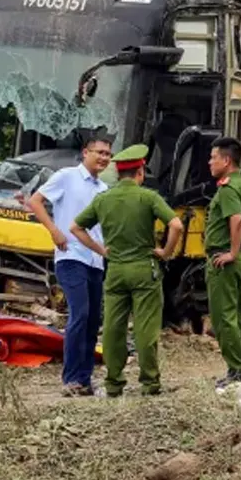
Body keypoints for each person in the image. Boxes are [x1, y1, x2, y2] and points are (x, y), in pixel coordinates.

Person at [69, 143, 183, 397]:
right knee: (145, 328)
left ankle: (113, 382)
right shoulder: (149, 197)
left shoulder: (103, 199)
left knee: (112, 328)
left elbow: (75, 227)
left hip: (116, 271)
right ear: (140, 171)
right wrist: (165, 252)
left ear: (118, 174)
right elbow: (176, 225)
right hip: (144, 270)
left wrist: (100, 250)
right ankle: (150, 383)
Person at [26, 134, 112, 397]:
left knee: (92, 319)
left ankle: (84, 379)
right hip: (70, 255)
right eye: (99, 152)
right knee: (80, 313)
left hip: (96, 260)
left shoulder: (103, 190)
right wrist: (54, 230)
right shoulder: (66, 176)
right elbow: (35, 201)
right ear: (85, 152)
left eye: (108, 154)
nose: (104, 158)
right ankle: (71, 378)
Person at [204, 136, 241, 388]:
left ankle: (237, 370)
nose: (210, 162)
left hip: (224, 261)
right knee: (239, 314)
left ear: (227, 160)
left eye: (213, 157)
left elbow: (238, 220)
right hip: (240, 261)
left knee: (223, 317)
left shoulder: (228, 188)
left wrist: (231, 252)